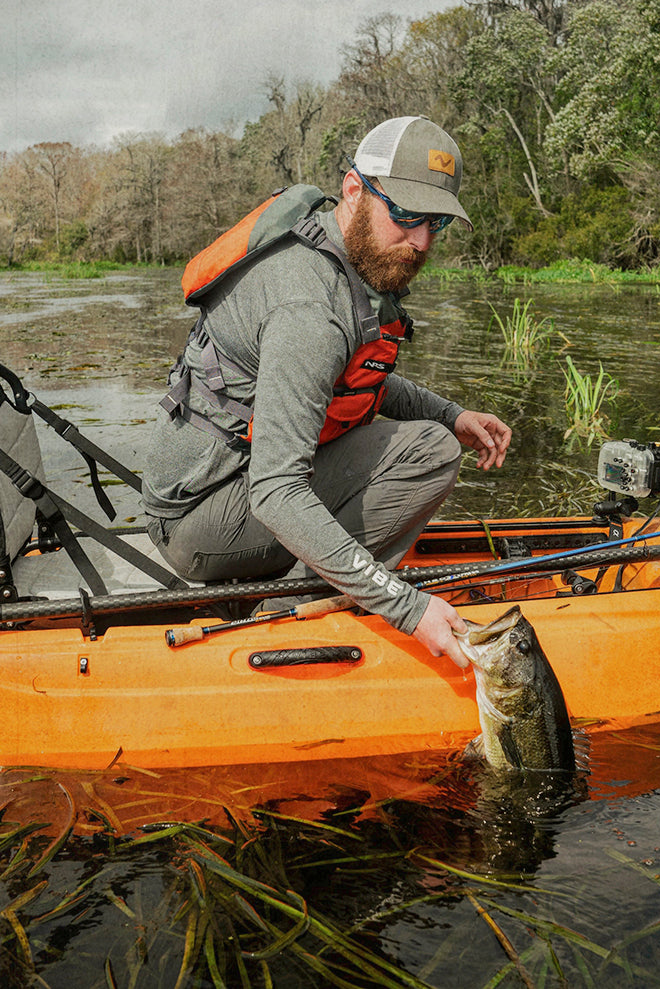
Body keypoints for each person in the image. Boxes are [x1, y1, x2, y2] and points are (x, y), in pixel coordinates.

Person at [142, 116, 511, 669]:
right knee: (427, 455)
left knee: (435, 436)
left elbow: (353, 378)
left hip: (219, 485)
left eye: (436, 222)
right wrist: (407, 608)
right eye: (406, 215)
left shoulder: (338, 253)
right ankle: (294, 609)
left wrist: (452, 415)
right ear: (354, 189)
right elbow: (275, 490)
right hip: (200, 518)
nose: (420, 241)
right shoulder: (310, 308)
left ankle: (325, 581)